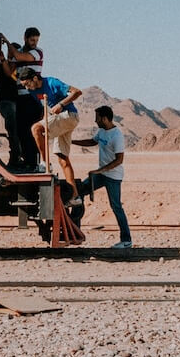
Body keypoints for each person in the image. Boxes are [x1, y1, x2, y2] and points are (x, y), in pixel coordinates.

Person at [74, 105, 131, 249]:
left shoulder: (117, 136)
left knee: (116, 206)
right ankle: (75, 232)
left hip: (113, 176)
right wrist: (72, 141)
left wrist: (100, 170)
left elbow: (119, 160)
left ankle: (126, 240)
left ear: (105, 118)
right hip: (101, 174)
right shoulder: (101, 131)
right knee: (78, 192)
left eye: (97, 118)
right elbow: (92, 142)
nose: (95, 121)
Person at [20, 67, 82, 184]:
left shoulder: (52, 83)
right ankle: (75, 195)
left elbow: (77, 92)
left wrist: (61, 105)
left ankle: (44, 163)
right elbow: (46, 108)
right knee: (62, 158)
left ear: (35, 78)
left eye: (28, 84)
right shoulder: (33, 91)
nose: (27, 88)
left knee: (36, 129)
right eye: (24, 86)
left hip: (68, 115)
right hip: (59, 120)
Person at [0, 28, 44, 172]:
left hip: (33, 97)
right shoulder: (20, 53)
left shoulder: (36, 53)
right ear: (25, 38)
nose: (34, 43)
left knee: (32, 131)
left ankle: (35, 163)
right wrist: (3, 59)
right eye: (32, 40)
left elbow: (17, 55)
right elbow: (10, 72)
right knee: (22, 131)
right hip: (21, 98)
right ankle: (27, 161)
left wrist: (7, 42)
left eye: (36, 40)